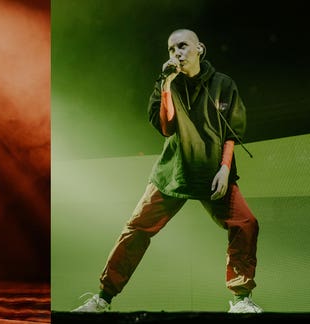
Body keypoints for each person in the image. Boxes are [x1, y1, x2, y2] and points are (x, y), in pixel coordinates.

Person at [71, 29, 262, 313]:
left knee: (246, 224)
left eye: (182, 46)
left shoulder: (224, 84)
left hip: (213, 172)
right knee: (136, 228)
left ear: (200, 48)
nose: (177, 53)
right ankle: (103, 298)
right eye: (172, 49)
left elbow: (231, 132)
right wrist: (166, 85)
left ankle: (241, 300)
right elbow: (166, 127)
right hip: (174, 171)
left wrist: (225, 168)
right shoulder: (165, 84)